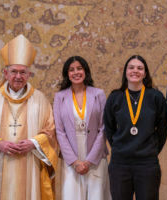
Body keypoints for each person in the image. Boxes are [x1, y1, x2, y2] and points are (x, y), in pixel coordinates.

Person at [0, 34, 58, 200]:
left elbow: (50, 130)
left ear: (29, 74)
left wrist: (33, 143)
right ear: (5, 73)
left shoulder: (39, 99)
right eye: (14, 72)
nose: (18, 76)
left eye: (23, 72)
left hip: (30, 162)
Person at [104, 55, 167, 200]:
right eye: (131, 67)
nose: (135, 71)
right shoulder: (115, 97)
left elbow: (163, 129)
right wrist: (119, 147)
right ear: (125, 72)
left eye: (140, 68)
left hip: (147, 163)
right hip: (120, 163)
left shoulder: (156, 97)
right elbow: (109, 127)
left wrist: (151, 149)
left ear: (145, 73)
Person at [53, 56, 111, 200]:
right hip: (71, 158)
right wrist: (74, 161)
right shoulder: (60, 97)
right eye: (71, 70)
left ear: (86, 71)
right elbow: (60, 132)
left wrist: (89, 160)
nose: (76, 72)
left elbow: (103, 128)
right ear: (67, 73)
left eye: (79, 68)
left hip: (96, 157)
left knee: (97, 195)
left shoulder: (98, 94)